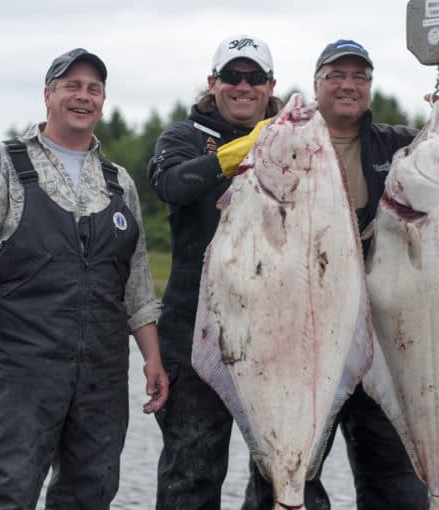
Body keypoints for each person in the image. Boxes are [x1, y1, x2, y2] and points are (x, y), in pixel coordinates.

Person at [245, 39, 439, 509]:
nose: (348, 85)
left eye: (360, 76)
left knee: (395, 483)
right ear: (316, 84)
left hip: (388, 337)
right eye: (336, 75)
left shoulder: (399, 143)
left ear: (370, 87)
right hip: (308, 336)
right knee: (283, 475)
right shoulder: (289, 139)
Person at [0, 47, 169, 509]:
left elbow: (137, 281)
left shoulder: (118, 181)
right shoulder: (7, 161)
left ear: (102, 101)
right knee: (9, 483)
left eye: (93, 89)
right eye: (72, 86)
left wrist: (153, 357)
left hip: (104, 370)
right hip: (28, 360)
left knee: (91, 491)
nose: (83, 97)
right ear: (48, 95)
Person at [147, 34, 331, 510]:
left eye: (254, 78)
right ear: (213, 83)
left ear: (270, 86)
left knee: (286, 473)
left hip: (280, 334)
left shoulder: (295, 139)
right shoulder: (183, 137)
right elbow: (171, 184)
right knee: (192, 472)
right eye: (232, 76)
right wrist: (238, 153)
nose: (242, 86)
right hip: (194, 332)